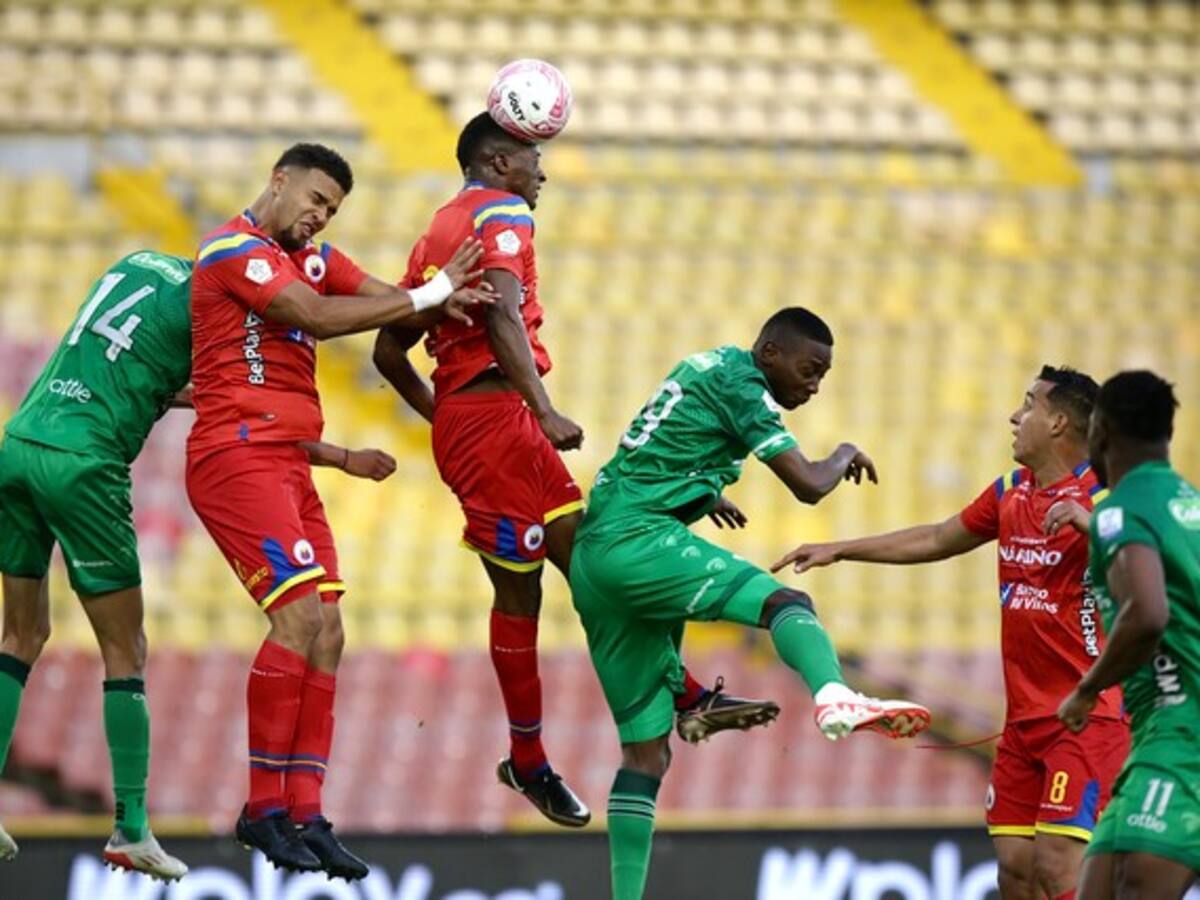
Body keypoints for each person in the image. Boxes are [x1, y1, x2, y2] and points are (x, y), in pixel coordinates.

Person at [372, 113, 779, 827]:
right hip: (497, 424)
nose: (544, 173)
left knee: (596, 560)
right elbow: (499, 317)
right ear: (499, 163)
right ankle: (528, 761)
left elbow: (389, 350)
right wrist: (533, 410)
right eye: (534, 159)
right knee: (522, 597)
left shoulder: (440, 231)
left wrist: (453, 419)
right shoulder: (497, 213)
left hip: (498, 425)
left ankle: (685, 697)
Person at [186, 142, 492, 877]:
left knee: (329, 630)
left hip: (289, 461)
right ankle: (261, 808)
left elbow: (385, 298)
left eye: (331, 209)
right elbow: (319, 318)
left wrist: (446, 301)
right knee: (297, 619)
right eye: (315, 199)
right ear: (279, 180)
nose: (319, 217)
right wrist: (425, 295)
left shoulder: (314, 257)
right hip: (236, 461)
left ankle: (305, 811)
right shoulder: (233, 250)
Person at [570, 307, 930, 900]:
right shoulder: (747, 386)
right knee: (788, 600)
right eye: (809, 370)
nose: (812, 386)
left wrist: (703, 491)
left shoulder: (707, 364)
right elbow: (810, 484)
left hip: (594, 558)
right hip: (637, 542)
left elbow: (662, 442)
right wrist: (843, 452)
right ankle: (835, 697)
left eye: (822, 377)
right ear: (770, 355)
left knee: (645, 754)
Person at [772, 365, 1130, 900]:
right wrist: (840, 548)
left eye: (1028, 404)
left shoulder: (1107, 500)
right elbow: (940, 537)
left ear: (1058, 423)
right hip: (1023, 721)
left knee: (1059, 869)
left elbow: (1165, 571)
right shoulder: (1012, 491)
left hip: (1084, 719)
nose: (1015, 415)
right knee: (1014, 870)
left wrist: (1097, 528)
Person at [1058, 371, 1200, 900]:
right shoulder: (1187, 503)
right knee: (1100, 884)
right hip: (1156, 739)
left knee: (1131, 884)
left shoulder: (1120, 509)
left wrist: (1087, 688)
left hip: (1181, 731)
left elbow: (1146, 614)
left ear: (1103, 429)